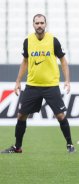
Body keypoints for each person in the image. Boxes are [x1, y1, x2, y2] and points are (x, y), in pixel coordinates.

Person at [0, 14, 75, 153]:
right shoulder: (28, 41)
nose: (39, 25)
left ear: (45, 24)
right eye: (37, 23)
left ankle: (70, 144)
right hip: (32, 85)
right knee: (21, 115)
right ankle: (17, 147)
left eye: (42, 23)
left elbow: (63, 61)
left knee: (60, 115)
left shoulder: (53, 40)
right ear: (33, 24)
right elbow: (25, 61)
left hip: (51, 85)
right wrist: (18, 81)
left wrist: (67, 80)